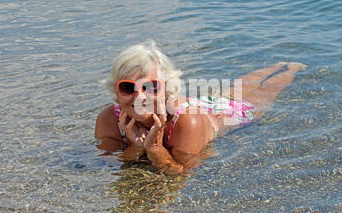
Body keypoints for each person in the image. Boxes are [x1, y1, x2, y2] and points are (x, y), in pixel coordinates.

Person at [95, 40, 306, 174]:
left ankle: (288, 68)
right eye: (128, 87)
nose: (140, 96)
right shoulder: (108, 119)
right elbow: (109, 164)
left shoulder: (188, 121)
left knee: (264, 93)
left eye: (151, 86)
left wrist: (156, 149)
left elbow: (180, 171)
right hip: (201, 105)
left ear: (167, 88)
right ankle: (280, 65)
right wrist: (138, 147)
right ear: (116, 90)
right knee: (232, 90)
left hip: (227, 115)